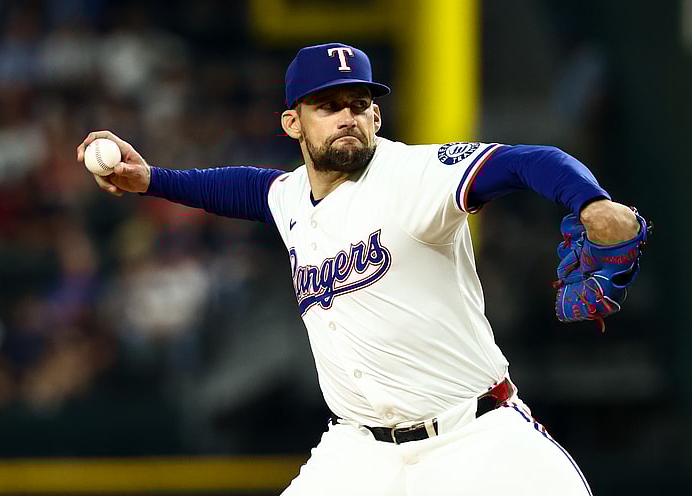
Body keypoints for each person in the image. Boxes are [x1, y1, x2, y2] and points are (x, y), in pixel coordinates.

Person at [77, 42, 642, 495]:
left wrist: (590, 202)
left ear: (376, 113)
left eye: (358, 103)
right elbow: (244, 189)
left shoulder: (413, 177)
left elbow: (523, 162)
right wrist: (151, 179)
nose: (347, 116)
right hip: (360, 456)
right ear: (293, 123)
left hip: (473, 443)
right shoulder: (292, 196)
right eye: (328, 105)